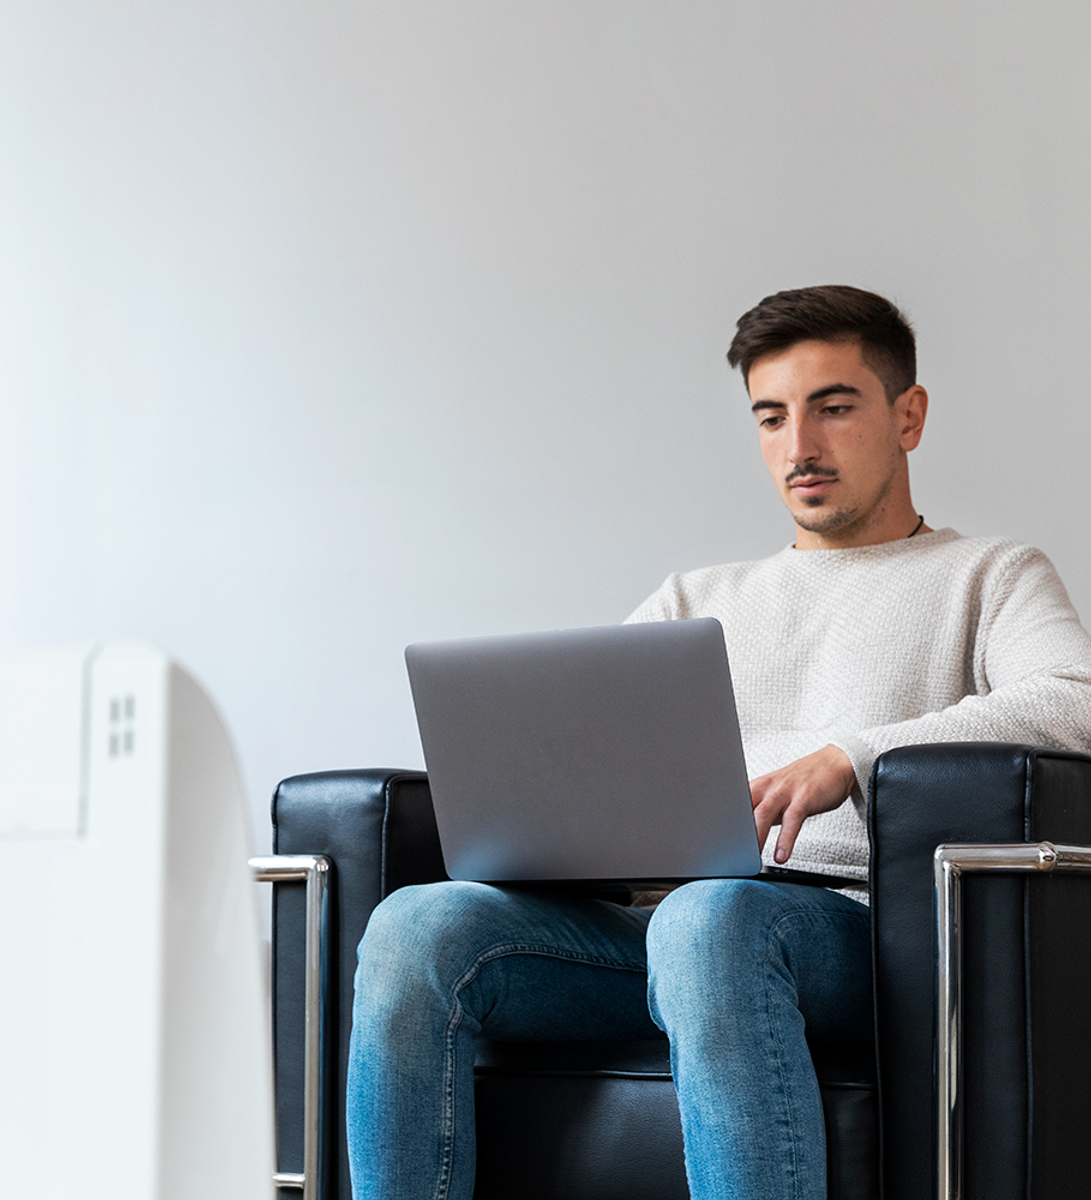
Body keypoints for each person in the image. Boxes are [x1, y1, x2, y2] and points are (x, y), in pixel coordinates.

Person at [345, 285, 1091, 1200]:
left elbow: (1072, 701)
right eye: (771, 417)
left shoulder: (987, 574)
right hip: (662, 931)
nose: (799, 448)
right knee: (416, 923)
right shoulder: (696, 599)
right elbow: (581, 751)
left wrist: (851, 758)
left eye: (834, 407)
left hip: (847, 935)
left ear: (909, 416)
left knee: (711, 920)